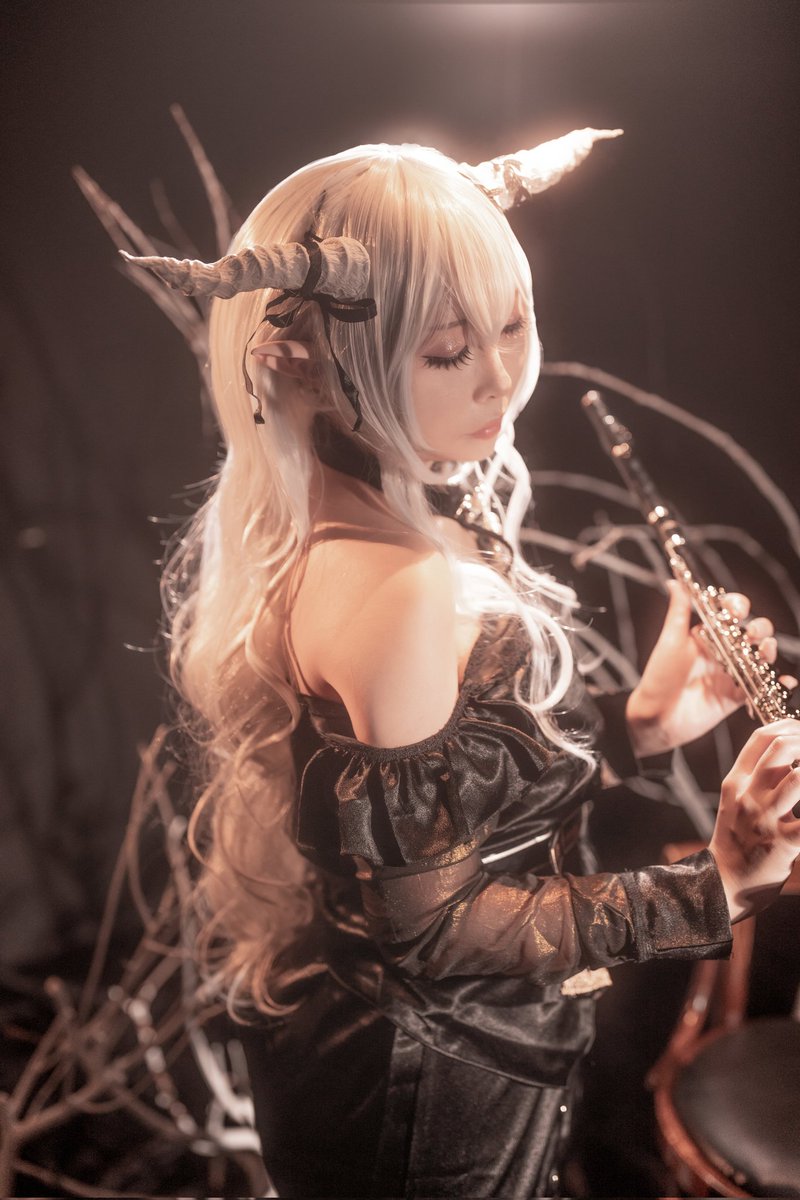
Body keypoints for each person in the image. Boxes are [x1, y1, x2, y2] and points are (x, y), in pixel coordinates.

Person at [127, 136, 800, 1198]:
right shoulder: (391, 584)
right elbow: (438, 932)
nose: (502, 378)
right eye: (448, 352)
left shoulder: (378, 502)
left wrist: (638, 724)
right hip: (429, 1094)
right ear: (302, 361)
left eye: (512, 323)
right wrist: (712, 886)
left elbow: (451, 799)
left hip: (445, 1051)